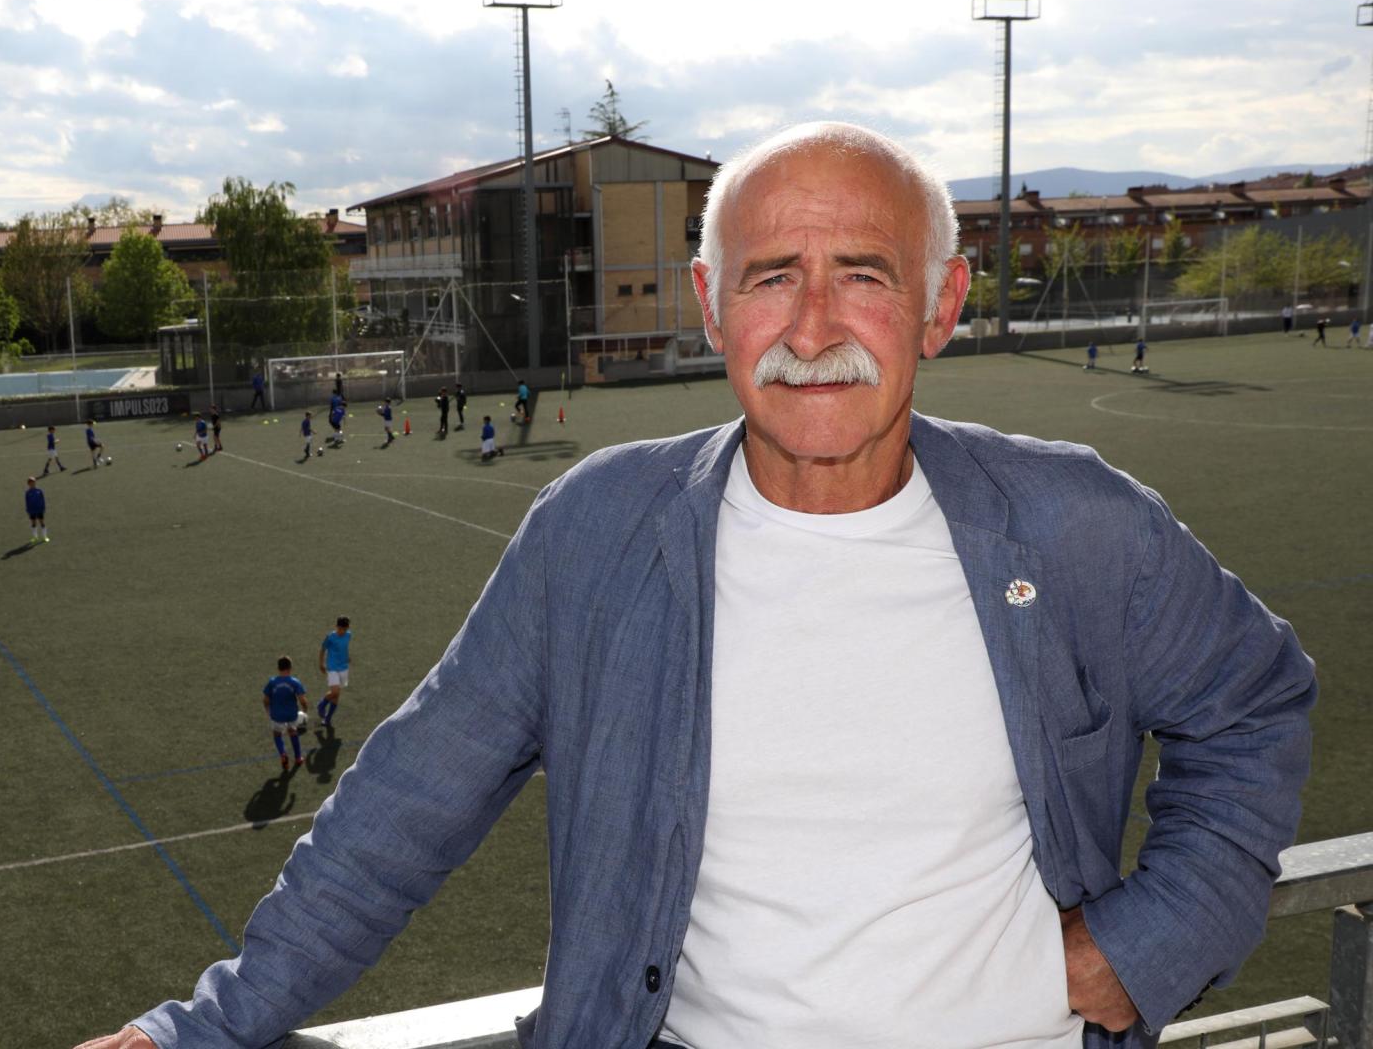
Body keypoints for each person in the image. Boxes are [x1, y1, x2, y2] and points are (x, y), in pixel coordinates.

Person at [82, 122, 1316, 1049]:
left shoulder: (1074, 525)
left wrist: (1146, 942)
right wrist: (201, 1028)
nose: (816, 323)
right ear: (711, 303)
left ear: (940, 307)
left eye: (866, 274)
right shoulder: (599, 533)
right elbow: (404, 806)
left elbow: (1255, 704)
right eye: (774, 273)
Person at [262, 656, 308, 770]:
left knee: (277, 735)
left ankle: (283, 754)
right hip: (291, 714)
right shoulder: (294, 682)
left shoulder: (272, 682)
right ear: (290, 668)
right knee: (293, 732)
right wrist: (305, 710)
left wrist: (268, 710)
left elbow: (266, 699)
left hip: (277, 715)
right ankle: (298, 758)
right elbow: (302, 700)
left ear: (278, 668)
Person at [316, 616, 352, 729]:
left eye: (345, 629)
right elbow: (322, 649)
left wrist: (347, 657)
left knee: (336, 696)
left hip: (344, 667)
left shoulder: (348, 635)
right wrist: (321, 664)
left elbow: (344, 648)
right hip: (332, 667)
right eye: (341, 629)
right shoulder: (330, 637)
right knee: (335, 691)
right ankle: (321, 705)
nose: (342, 631)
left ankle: (327, 719)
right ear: (336, 627)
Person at [25, 477, 49, 544]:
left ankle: (45, 536)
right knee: (33, 523)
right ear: (28, 484)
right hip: (32, 510)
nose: (33, 484)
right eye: (31, 483)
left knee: (42, 522)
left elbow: (43, 500)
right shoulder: (27, 492)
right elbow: (27, 502)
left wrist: (43, 508)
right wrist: (28, 510)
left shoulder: (39, 490)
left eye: (34, 482)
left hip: (39, 509)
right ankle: (35, 537)